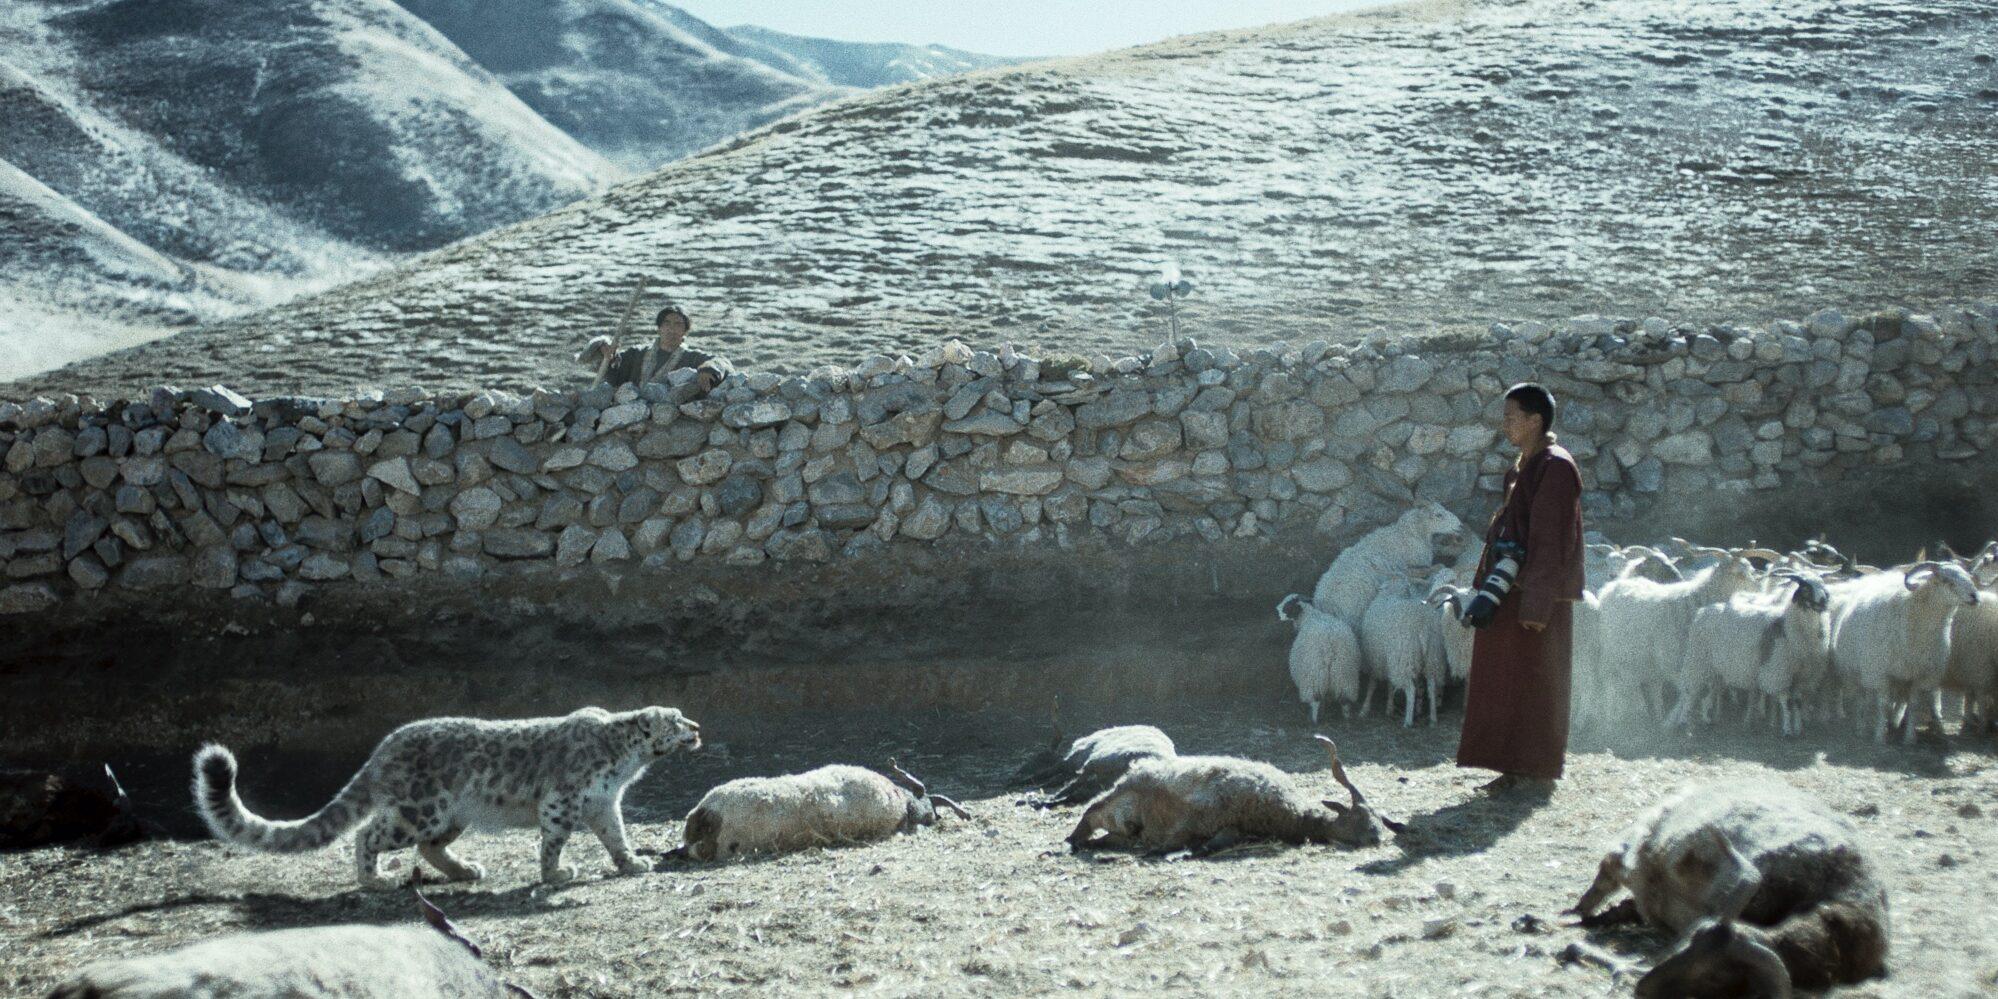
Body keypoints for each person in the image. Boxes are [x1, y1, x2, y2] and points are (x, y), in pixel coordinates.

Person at [1454, 382, 1584, 795]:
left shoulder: (1555, 467)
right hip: (1507, 590)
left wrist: (1537, 605)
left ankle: (1537, 770)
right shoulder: (1522, 467)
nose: (1505, 424)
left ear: (1535, 420)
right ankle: (1512, 768)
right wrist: (1486, 587)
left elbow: (1549, 539)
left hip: (1534, 597)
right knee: (1505, 681)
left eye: (1512, 416)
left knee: (1536, 681)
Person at [576, 305, 733, 392]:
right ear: (659, 328)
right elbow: (592, 358)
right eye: (667, 323)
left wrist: (708, 369)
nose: (672, 329)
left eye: (678, 324)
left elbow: (722, 361)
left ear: (685, 331)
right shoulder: (637, 354)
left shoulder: (692, 357)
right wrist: (603, 347)